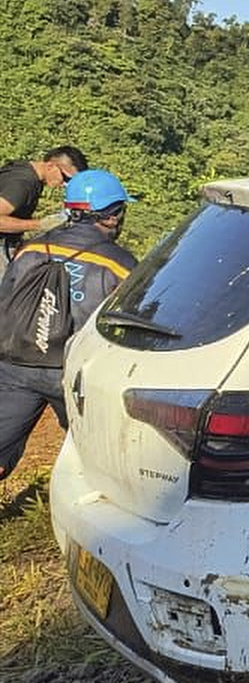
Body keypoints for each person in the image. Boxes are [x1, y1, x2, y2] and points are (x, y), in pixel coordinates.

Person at [0, 170, 137, 481]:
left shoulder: (30, 250)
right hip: (72, 373)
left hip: (14, 364)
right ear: (112, 216)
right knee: (95, 454)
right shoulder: (120, 264)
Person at [0, 146, 87, 263]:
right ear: (50, 166)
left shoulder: (23, 169)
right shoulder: (23, 184)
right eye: (66, 178)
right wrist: (40, 225)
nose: (65, 184)